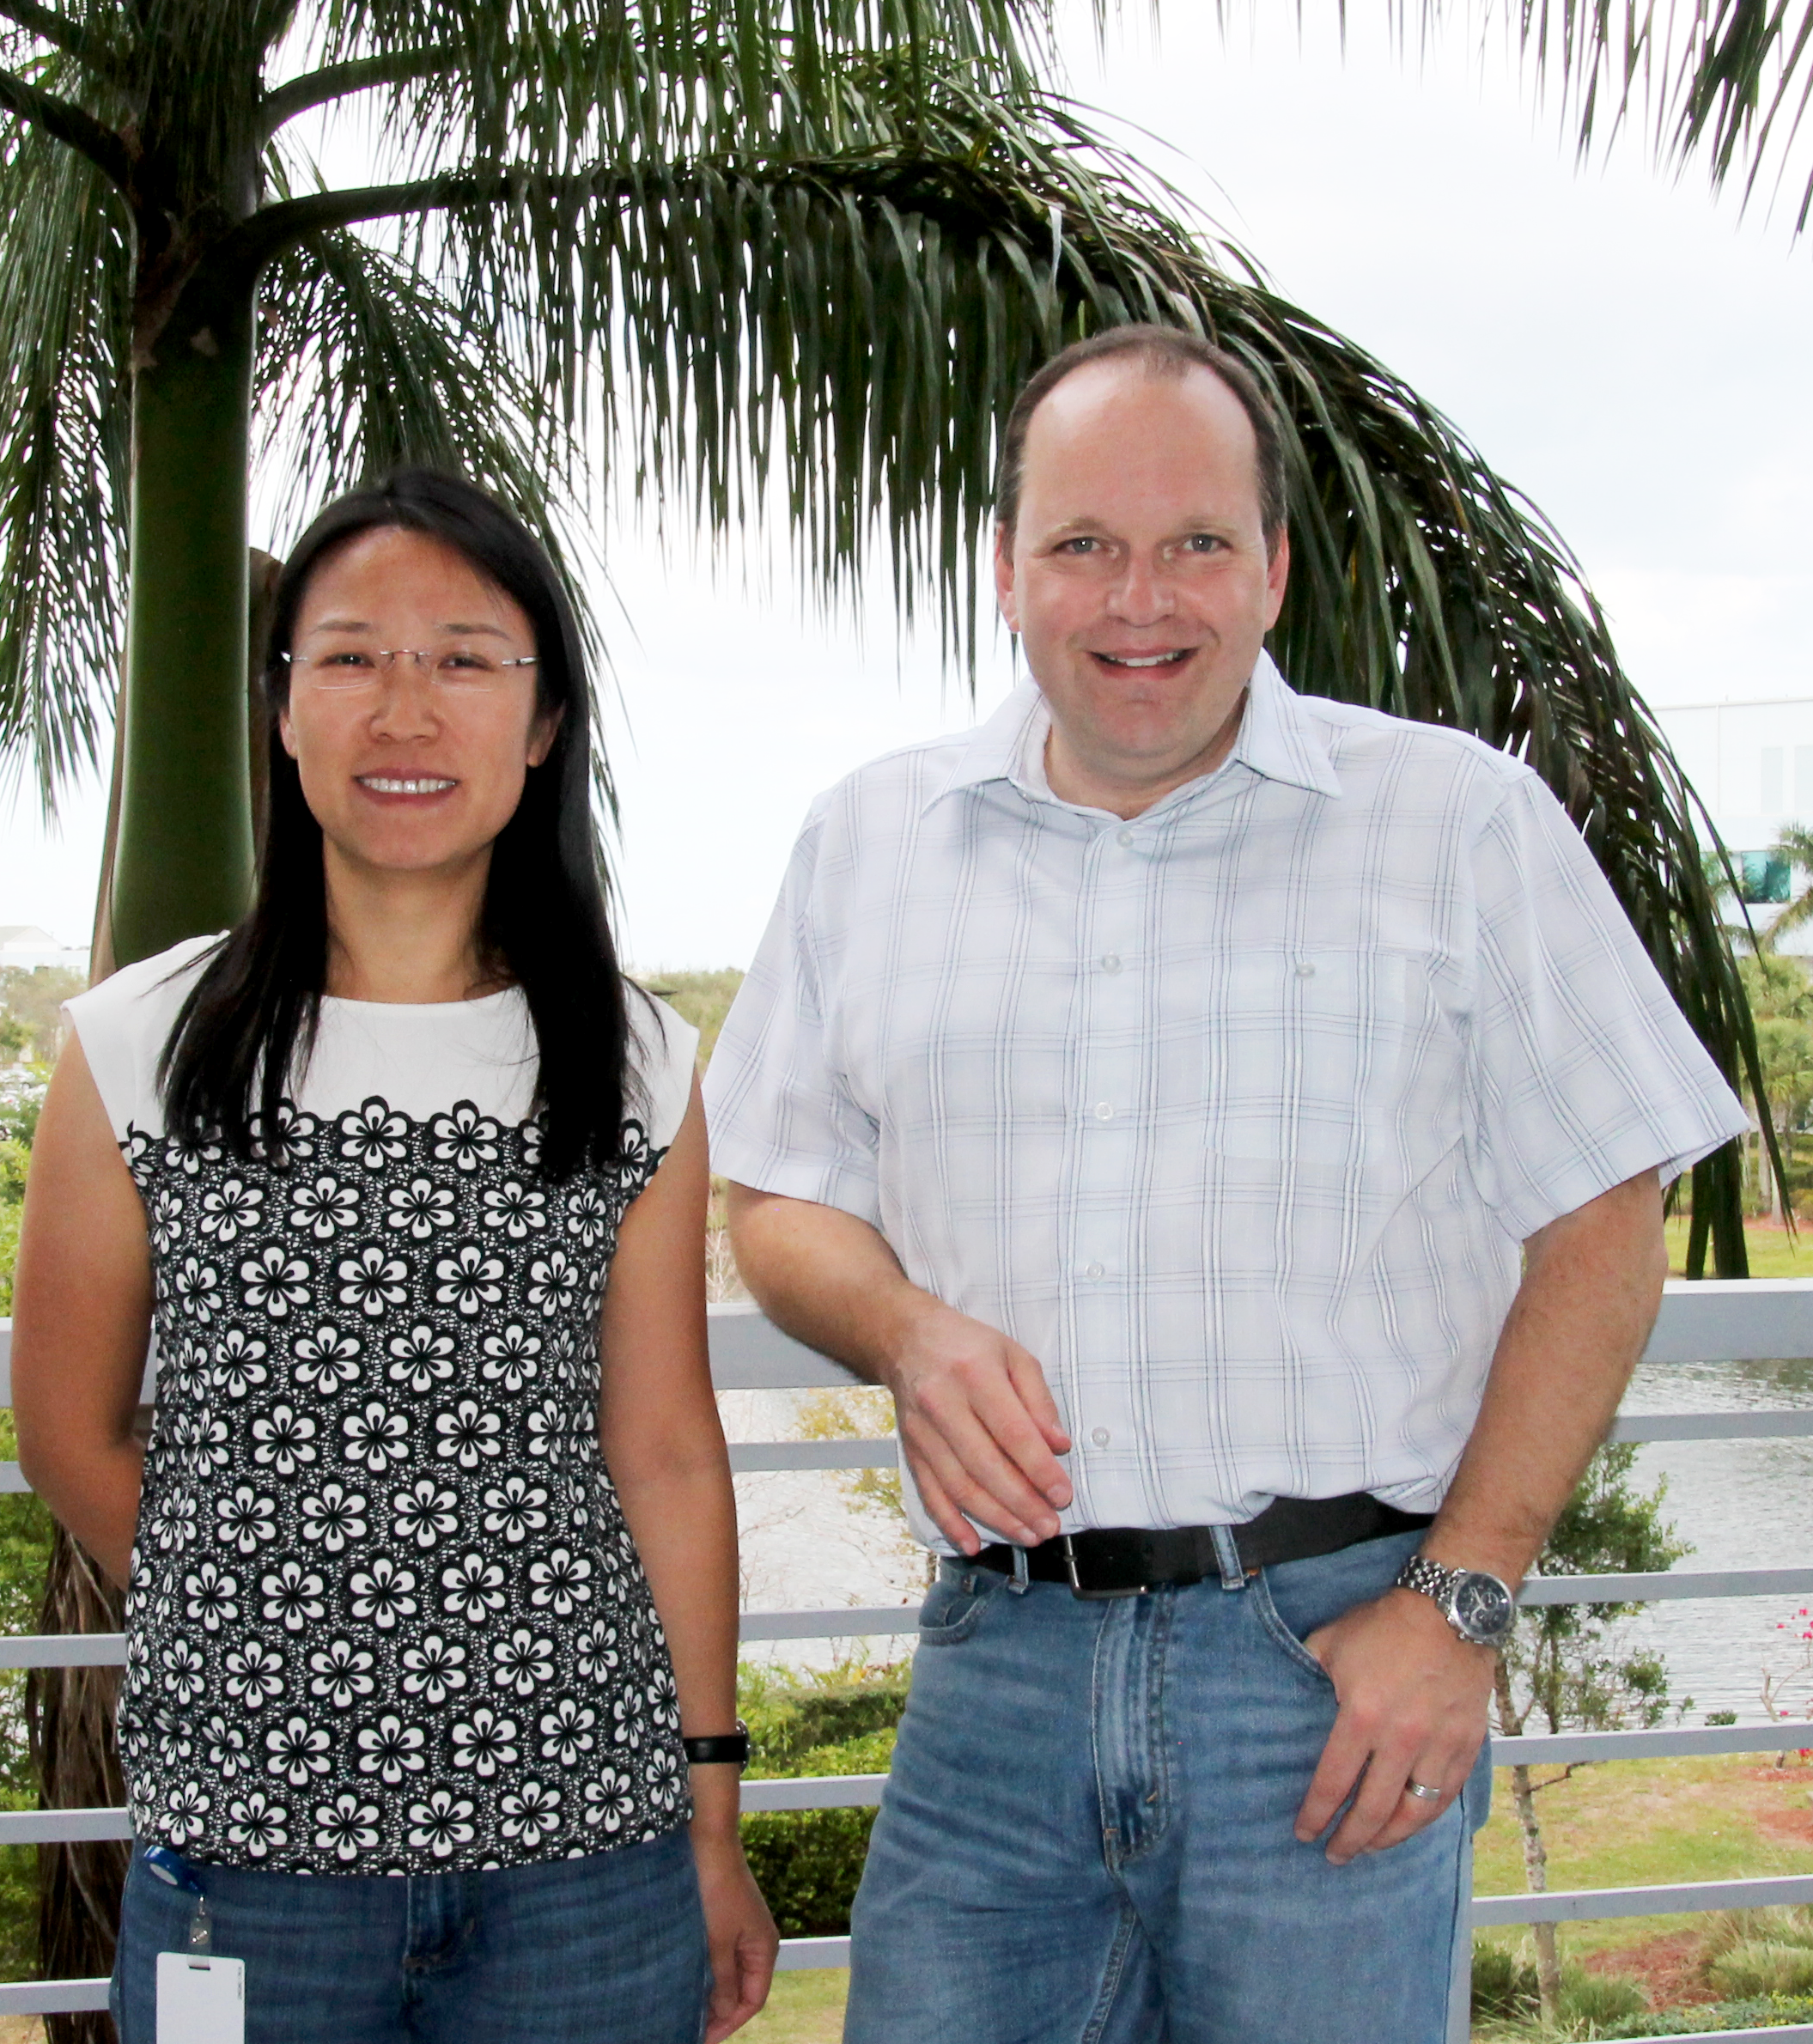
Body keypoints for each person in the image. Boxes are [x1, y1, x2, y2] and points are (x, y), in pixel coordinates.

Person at [703, 326, 1749, 2043]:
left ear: (1270, 568)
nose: (1141, 597)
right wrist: (901, 1325)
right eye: (1083, 544)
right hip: (998, 1674)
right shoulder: (867, 839)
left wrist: (1459, 1606)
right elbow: (781, 1199)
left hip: (1336, 1666)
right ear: (1005, 568)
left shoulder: (1458, 822)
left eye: (1195, 541)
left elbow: (1598, 1234)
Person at [12, 469, 776, 2044]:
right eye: (349, 656)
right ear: (284, 714)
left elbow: (667, 1453)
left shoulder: (633, 1058)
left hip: (590, 1856)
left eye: (465, 658)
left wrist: (712, 1816)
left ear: (545, 722)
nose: (405, 708)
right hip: (253, 1860)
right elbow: (68, 1432)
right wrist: (282, 1614)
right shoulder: (138, 1043)